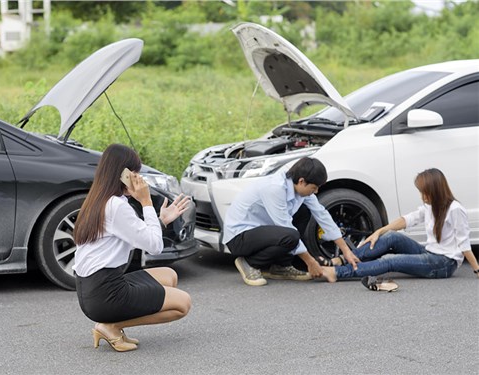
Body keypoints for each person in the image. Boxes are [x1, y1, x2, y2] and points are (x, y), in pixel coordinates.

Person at [73, 144, 192, 352]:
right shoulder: (117, 206)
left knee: (169, 276)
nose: (139, 178)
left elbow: (137, 234)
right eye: (134, 173)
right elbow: (155, 247)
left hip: (94, 288)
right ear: (122, 175)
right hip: (105, 294)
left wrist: (161, 220)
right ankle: (111, 326)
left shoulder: (100, 199)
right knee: (183, 303)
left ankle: (110, 324)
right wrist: (146, 201)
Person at [322, 168, 479, 287]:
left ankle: (338, 272)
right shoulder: (431, 206)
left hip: (444, 263)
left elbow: (464, 245)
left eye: (424, 193)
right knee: (391, 236)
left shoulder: (455, 210)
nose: (422, 196)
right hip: (430, 253)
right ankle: (341, 260)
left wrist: (477, 269)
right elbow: (408, 220)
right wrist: (379, 231)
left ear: (436, 191)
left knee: (391, 261)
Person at [222, 157, 359, 286]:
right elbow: (285, 225)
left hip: (262, 232)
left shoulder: (300, 190)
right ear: (301, 181)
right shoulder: (274, 188)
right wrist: (310, 262)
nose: (316, 191)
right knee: (291, 235)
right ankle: (249, 263)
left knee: (304, 212)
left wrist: (346, 250)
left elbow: (321, 214)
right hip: (239, 237)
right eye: (314, 187)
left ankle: (281, 266)